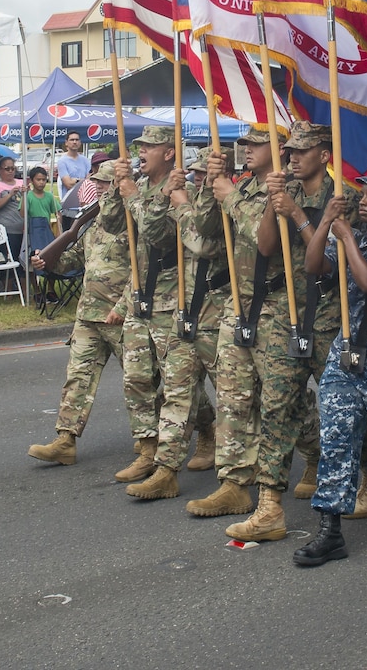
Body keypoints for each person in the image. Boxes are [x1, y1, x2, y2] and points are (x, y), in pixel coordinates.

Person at [227, 121, 367, 544]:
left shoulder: (345, 199)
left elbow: (330, 262)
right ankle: (269, 507)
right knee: (277, 405)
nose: (293, 157)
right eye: (290, 151)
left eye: (302, 151)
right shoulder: (288, 192)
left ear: (324, 155)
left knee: (351, 410)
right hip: (290, 316)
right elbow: (265, 247)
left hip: (334, 318)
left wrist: (297, 216)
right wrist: (271, 203)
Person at [187, 129, 317, 520]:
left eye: (257, 144)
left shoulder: (289, 189)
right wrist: (214, 185)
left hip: (280, 305)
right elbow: (206, 231)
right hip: (240, 303)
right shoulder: (241, 185)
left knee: (282, 401)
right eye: (245, 143)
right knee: (233, 395)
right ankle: (234, 483)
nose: (246, 149)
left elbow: (268, 244)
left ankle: (317, 450)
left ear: (279, 150)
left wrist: (231, 196)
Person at [292, 158, 367, 567]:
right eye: (363, 194)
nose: (364, 202)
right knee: (336, 439)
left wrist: (344, 236)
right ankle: (329, 529)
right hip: (346, 354)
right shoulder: (354, 234)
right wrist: (328, 224)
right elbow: (313, 267)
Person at [124, 150, 225, 501]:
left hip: (218, 314)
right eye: (195, 175)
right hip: (185, 312)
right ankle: (166, 471)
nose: (199, 181)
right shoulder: (189, 204)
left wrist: (181, 203)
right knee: (177, 392)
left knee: (238, 398)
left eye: (205, 176)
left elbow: (204, 243)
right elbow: (155, 234)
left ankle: (308, 456)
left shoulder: (228, 206)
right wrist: (165, 199)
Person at [25, 161, 136, 463]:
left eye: (105, 182)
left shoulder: (134, 219)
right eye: (96, 181)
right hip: (89, 312)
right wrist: (48, 261)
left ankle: (174, 433)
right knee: (78, 377)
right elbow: (74, 258)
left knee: (142, 381)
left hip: (120, 314)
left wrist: (125, 305)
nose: (98, 186)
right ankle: (66, 439)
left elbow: (144, 269)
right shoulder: (93, 222)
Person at [110, 125, 185, 485]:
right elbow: (111, 223)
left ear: (169, 152)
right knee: (136, 378)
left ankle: (207, 432)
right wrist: (118, 186)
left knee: (177, 383)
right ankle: (146, 449)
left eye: (150, 146)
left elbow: (158, 235)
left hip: (170, 298)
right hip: (139, 296)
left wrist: (133, 196)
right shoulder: (137, 186)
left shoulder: (178, 188)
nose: (141, 151)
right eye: (140, 146)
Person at [56, 131, 91, 227]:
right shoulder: (62, 161)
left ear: (80, 142)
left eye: (77, 139)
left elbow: (90, 182)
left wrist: (75, 180)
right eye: (72, 140)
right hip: (69, 208)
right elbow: (68, 184)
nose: (74, 142)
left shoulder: (85, 160)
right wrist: (82, 181)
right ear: (66, 142)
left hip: (84, 206)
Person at [24, 166, 60, 257]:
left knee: (49, 253)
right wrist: (23, 196)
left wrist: (59, 231)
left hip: (46, 229)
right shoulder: (28, 196)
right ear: (32, 180)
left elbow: (58, 213)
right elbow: (22, 214)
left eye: (43, 180)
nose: (41, 182)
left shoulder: (49, 196)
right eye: (38, 179)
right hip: (32, 231)